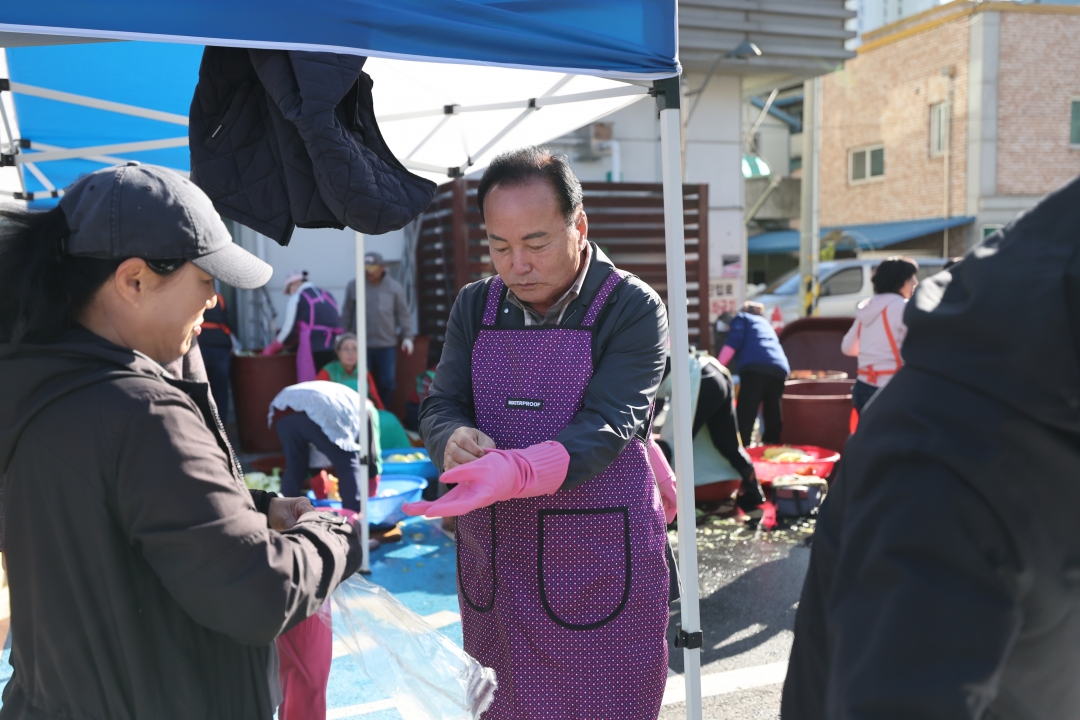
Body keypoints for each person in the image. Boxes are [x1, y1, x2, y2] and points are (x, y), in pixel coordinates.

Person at [0, 163, 360, 720]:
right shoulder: (142, 411)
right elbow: (259, 593)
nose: (214, 300)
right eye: (206, 278)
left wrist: (253, 511)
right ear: (134, 281)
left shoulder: (36, 386)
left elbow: (112, 518)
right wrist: (333, 532)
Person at [781, 177, 1080, 718]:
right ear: (907, 280)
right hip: (909, 390)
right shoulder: (953, 454)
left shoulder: (875, 313)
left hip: (874, 387)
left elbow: (849, 347)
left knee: (859, 473)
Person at [407, 147, 670, 719]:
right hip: (497, 564)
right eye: (500, 247)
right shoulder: (475, 305)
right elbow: (442, 401)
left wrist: (518, 470)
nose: (517, 264)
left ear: (579, 226)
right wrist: (450, 437)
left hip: (600, 564)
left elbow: (609, 422)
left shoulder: (631, 307)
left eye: (536, 243)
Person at [657, 351, 765, 509]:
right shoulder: (653, 352)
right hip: (716, 373)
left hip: (697, 378)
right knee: (728, 444)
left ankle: (666, 508)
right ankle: (755, 493)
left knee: (672, 447)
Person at [840, 256, 918, 414]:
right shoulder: (902, 308)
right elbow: (919, 348)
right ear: (900, 281)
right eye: (912, 278)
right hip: (891, 388)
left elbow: (847, 348)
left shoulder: (867, 308)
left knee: (869, 437)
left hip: (862, 387)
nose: (915, 283)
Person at [341, 252, 414, 405]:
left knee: (388, 382)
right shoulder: (354, 286)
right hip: (360, 345)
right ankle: (362, 414)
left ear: (382, 268)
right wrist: (344, 336)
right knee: (360, 382)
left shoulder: (394, 287)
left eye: (372, 268)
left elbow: (403, 313)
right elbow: (347, 313)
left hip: (386, 345)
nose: (369, 272)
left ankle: (382, 411)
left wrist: (408, 336)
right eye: (366, 268)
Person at [719, 301, 791, 446]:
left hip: (755, 368)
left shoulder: (742, 318)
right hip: (779, 368)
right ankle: (773, 445)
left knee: (747, 409)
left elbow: (733, 342)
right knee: (773, 410)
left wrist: (716, 366)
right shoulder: (765, 324)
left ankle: (741, 448)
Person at [262, 270, 341, 382]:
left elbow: (288, 330)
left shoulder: (298, 297)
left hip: (313, 349)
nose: (290, 293)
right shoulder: (327, 294)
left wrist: (271, 349)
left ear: (295, 283)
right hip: (334, 347)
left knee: (314, 384)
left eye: (289, 290)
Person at [199, 284, 237, 421]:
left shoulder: (190, 296)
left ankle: (202, 429)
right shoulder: (219, 298)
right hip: (221, 349)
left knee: (199, 392)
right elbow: (226, 322)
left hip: (199, 348)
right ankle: (221, 432)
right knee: (221, 392)